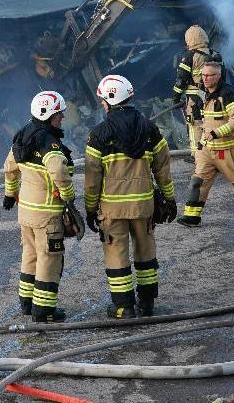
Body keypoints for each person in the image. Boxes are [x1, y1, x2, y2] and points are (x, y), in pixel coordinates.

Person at [85, 75, 176, 318]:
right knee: (146, 252)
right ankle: (147, 304)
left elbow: (92, 179)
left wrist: (90, 209)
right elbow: (163, 168)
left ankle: (124, 308)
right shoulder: (149, 129)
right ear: (130, 97)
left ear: (107, 101)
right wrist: (169, 198)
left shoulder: (99, 134)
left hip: (112, 210)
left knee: (117, 256)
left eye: (103, 100)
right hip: (143, 206)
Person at [3, 90, 77, 323]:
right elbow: (58, 170)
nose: (62, 119)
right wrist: (68, 196)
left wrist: (9, 193)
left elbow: (9, 165)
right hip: (47, 214)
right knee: (49, 257)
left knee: (30, 254)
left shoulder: (23, 135)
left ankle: (27, 303)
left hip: (26, 212)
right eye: (59, 115)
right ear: (50, 116)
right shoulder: (49, 143)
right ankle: (43, 310)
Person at [177, 61, 234, 227]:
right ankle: (192, 216)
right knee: (197, 182)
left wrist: (216, 133)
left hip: (227, 150)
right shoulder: (203, 91)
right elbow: (203, 117)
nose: (205, 78)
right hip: (207, 150)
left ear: (219, 76)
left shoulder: (228, 93)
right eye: (203, 75)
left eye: (209, 75)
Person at [171, 25, 221, 146]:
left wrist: (175, 99)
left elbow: (181, 80)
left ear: (189, 40)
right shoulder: (216, 54)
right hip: (214, 96)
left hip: (195, 98)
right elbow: (222, 77)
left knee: (195, 125)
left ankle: (197, 155)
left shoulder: (189, 56)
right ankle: (211, 152)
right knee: (212, 123)